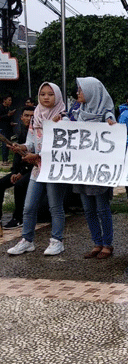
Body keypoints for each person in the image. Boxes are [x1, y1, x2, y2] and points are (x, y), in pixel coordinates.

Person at [7, 83, 68, 256]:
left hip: (55, 169)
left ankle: (57, 241)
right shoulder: (36, 116)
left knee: (55, 207)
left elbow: (62, 147)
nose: (46, 97)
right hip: (38, 169)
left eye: (50, 94)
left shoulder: (64, 119)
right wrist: (21, 147)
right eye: (42, 94)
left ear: (57, 96)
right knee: (28, 207)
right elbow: (31, 142)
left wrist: (38, 155)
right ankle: (27, 240)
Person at [71, 77, 118, 259]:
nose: (78, 93)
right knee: (88, 209)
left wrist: (111, 126)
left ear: (92, 92)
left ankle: (107, 244)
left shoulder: (106, 115)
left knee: (102, 208)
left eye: (81, 90)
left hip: (99, 170)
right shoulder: (77, 113)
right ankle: (96, 242)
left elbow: (112, 131)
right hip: (82, 169)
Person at [1, 106, 33, 229]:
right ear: (21, 117)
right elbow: (17, 158)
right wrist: (15, 172)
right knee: (1, 183)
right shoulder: (20, 132)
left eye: (32, 116)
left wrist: (21, 173)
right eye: (26, 115)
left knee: (19, 185)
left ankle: (18, 218)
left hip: (33, 169)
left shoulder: (38, 133)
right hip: (20, 170)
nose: (29, 119)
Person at [0, 94, 16, 165]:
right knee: (4, 143)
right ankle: (4, 160)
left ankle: (6, 158)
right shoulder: (1, 107)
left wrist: (11, 122)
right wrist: (7, 115)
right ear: (4, 100)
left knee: (8, 143)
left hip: (8, 127)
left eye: (11, 100)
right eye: (9, 100)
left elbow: (9, 118)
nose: (10, 101)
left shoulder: (8, 108)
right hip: (2, 128)